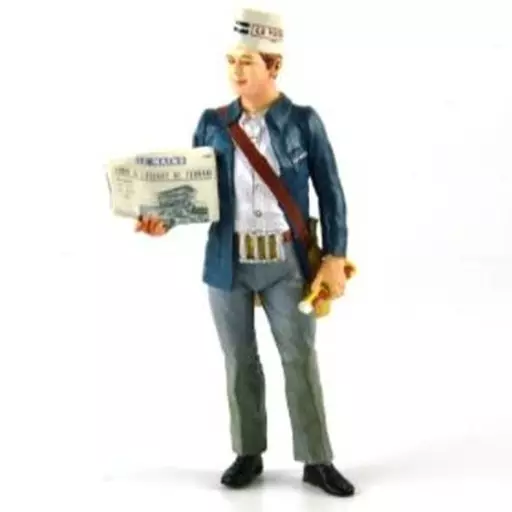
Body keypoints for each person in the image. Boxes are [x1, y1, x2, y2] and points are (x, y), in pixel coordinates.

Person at [136, 7, 355, 497]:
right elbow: (198, 193)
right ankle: (248, 451)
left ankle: (317, 459)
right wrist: (165, 219)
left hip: (286, 262)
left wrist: (335, 256)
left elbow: (331, 191)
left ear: (273, 66)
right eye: (232, 60)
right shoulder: (213, 123)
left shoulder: (303, 122)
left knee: (299, 358)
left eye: (247, 61)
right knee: (238, 359)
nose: (236, 70)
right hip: (228, 260)